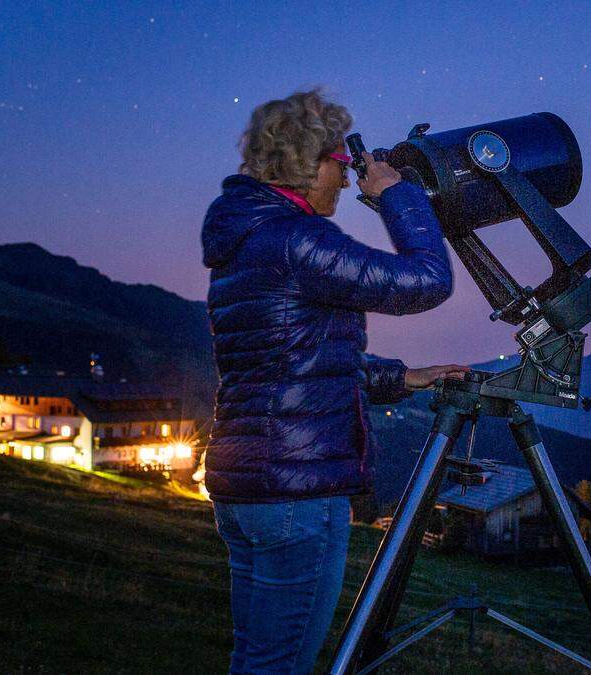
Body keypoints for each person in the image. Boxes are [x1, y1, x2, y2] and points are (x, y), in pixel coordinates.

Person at [200, 89, 468, 674]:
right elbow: (427, 279)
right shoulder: (299, 240)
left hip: (245, 490)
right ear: (308, 162)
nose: (348, 184)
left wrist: (402, 378)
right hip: (296, 493)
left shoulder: (243, 246)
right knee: (281, 666)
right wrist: (400, 195)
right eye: (343, 167)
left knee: (256, 660)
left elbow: (290, 364)